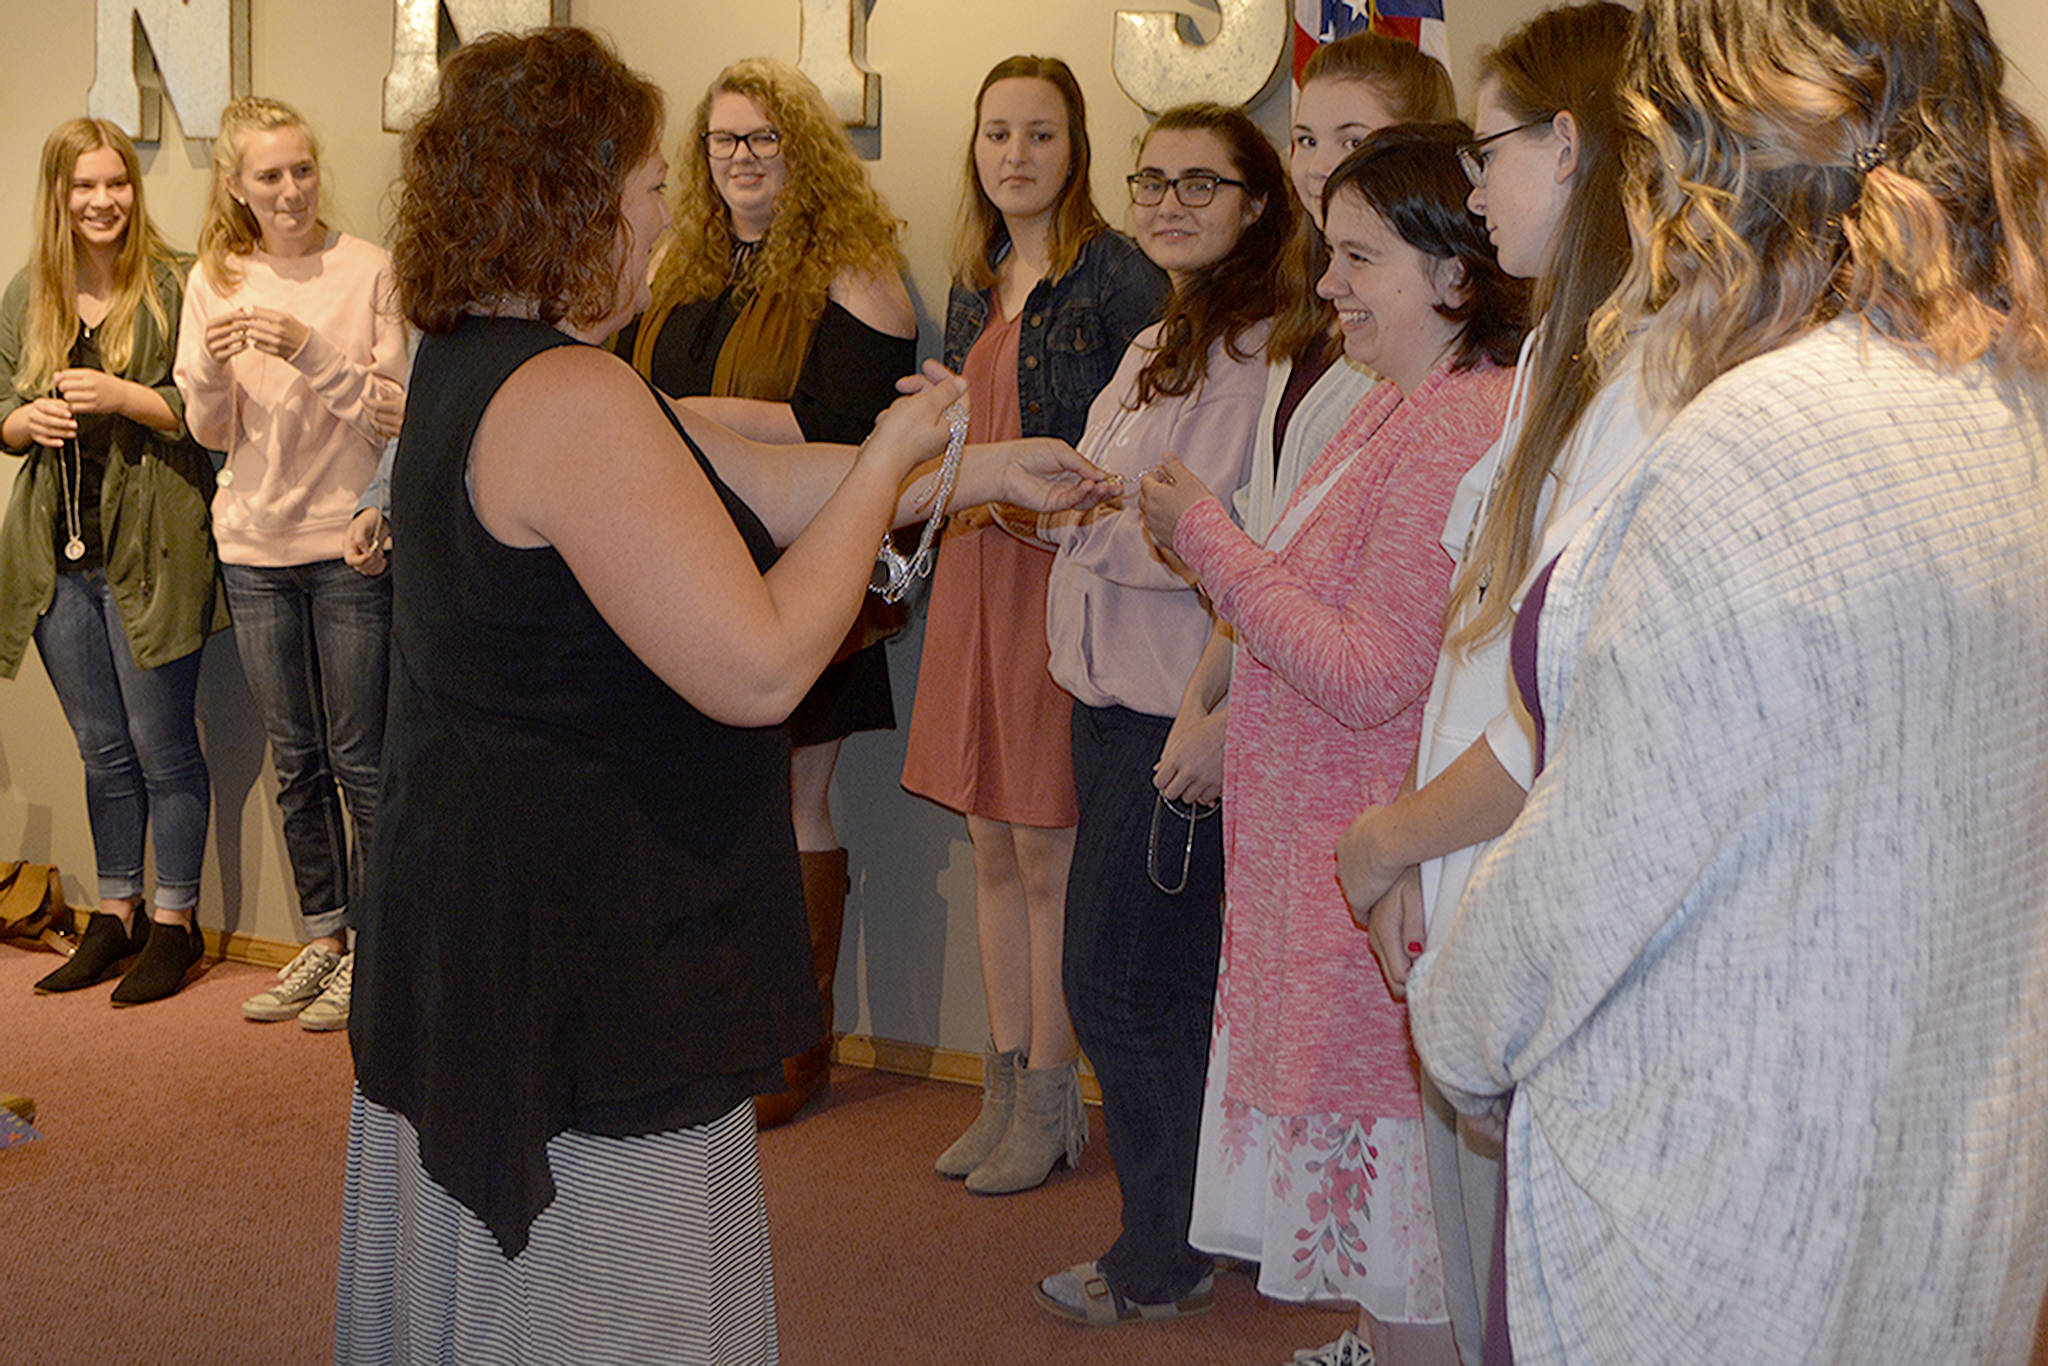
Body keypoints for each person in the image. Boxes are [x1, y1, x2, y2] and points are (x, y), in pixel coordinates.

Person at [334, 27, 1115, 1362]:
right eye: (647, 181)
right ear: (571, 200)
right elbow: (759, 663)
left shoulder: (484, 359)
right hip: (581, 943)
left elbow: (759, 480)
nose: (663, 207)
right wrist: (891, 455)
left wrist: (985, 471)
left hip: (483, 910)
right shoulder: (571, 395)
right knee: (605, 1305)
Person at [1405, 0, 2048, 1359]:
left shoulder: (1768, 436)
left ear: (1715, 152)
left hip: (1716, 1230)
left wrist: (1451, 1015)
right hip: (1932, 1179)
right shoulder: (2009, 398)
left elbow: (1585, 878)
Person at [1142, 124, 1526, 1366]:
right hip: (1321, 862)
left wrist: (1206, 537)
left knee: (1411, 1231)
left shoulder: (1453, 424)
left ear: (1450, 279)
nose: (1328, 286)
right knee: (1382, 1240)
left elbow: (1366, 673)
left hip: (1368, 868)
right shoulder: (1394, 410)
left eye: (1357, 259)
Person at [1328, 6, 1643, 1360]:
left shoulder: (1644, 380)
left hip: (1539, 918)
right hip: (1465, 889)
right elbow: (1478, 652)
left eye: (1491, 147)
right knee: (1474, 1284)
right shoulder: (1555, 369)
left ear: (1571, 149)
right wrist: (1412, 854)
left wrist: (1391, 835)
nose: (1470, 184)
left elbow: (1562, 706)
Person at [1021, 101, 1295, 1326]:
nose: (1169, 201)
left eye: (1200, 182)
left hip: (1175, 721)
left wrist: (1104, 515)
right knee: (1162, 988)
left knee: (1117, 986)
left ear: (1254, 205)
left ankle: (1160, 1251)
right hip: (1103, 708)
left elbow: (1218, 540)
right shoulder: (1156, 342)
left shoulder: (1265, 355)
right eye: (1151, 181)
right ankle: (1192, 1226)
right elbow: (1095, 502)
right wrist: (1080, 503)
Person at [616, 57, 917, 1127]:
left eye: (763, 140)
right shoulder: (677, 260)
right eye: (721, 142)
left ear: (803, 151)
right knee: (702, 800)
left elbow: (842, 433)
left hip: (808, 569)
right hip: (682, 561)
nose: (740, 161)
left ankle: (793, 1046)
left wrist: (677, 413)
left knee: (792, 800)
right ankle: (712, 1034)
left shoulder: (856, 271)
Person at [901, 53, 1168, 1195]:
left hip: (1056, 580)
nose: (1015, 155)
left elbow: (1148, 443)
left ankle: (1056, 1101)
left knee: (1048, 851)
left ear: (1077, 150)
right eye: (997, 133)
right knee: (990, 846)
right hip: (973, 570)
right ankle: (1004, 1081)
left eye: (1040, 135)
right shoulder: (974, 277)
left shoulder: (1117, 279)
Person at [174, 95, 409, 1032]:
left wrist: (310, 349)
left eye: (302, 169)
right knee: (296, 758)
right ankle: (325, 937)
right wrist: (213, 370)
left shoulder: (369, 270)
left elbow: (395, 414)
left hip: (348, 546)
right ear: (236, 186)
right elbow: (209, 429)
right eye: (268, 175)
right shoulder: (214, 278)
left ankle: (382, 950)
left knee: (363, 758)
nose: (290, 189)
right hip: (253, 546)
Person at [0, 118, 220, 1005]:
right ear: (58, 194)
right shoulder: (30, 293)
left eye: (116, 183)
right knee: (101, 753)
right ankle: (115, 911)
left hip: (153, 554)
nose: (102, 202)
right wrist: (23, 423)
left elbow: (209, 414)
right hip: (58, 565)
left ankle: (176, 921)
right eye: (83, 187)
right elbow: (1, 411)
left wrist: (127, 396)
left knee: (165, 750)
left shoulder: (175, 283)